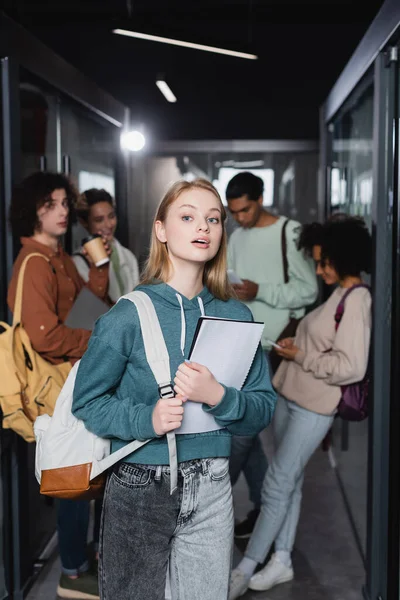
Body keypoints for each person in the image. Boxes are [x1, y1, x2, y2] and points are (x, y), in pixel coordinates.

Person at [71, 178, 277, 600]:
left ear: (221, 234)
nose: (203, 227)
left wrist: (219, 396)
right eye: (188, 217)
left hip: (214, 487)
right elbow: (88, 401)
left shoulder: (236, 315)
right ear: (161, 230)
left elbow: (263, 409)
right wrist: (145, 418)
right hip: (137, 484)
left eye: (213, 219)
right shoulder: (127, 315)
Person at [229, 216, 372, 599]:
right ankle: (282, 559)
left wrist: (301, 355)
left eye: (325, 262)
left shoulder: (357, 300)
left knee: (277, 482)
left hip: (314, 406)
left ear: (345, 258)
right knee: (287, 483)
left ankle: (246, 567)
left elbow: (351, 367)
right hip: (292, 396)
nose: (320, 268)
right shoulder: (338, 294)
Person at [7, 171, 111, 600]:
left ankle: (80, 561)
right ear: (34, 210)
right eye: (54, 203)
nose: (64, 210)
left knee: (85, 471)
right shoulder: (34, 262)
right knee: (71, 477)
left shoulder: (59, 257)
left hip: (74, 380)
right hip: (57, 386)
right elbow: (45, 336)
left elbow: (89, 304)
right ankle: (71, 571)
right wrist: (97, 340)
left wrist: (99, 264)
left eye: (66, 203)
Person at [226, 171, 318, 538]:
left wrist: (259, 290)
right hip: (243, 343)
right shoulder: (236, 234)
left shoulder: (289, 232)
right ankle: (264, 510)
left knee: (245, 433)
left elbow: (308, 290)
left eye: (245, 210)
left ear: (260, 199)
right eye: (234, 212)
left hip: (277, 347)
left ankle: (211, 501)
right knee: (248, 434)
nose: (240, 218)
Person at [73, 188, 139, 303]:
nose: (108, 224)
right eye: (99, 220)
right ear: (85, 223)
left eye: (111, 216)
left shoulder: (128, 256)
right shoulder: (77, 263)